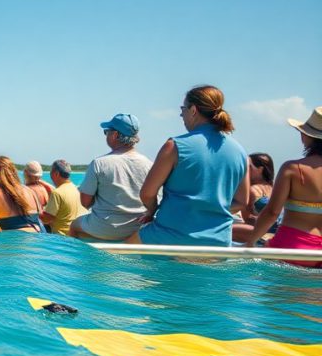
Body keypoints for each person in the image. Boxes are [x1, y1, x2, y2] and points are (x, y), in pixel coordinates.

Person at [129, 86, 249, 246]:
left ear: (193, 110)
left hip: (170, 237)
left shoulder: (174, 146)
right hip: (219, 242)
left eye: (182, 108)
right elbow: (242, 202)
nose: (181, 114)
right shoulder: (240, 152)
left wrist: (152, 211)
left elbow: (147, 194)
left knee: (115, 259)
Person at [244, 107, 322, 267]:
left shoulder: (293, 168)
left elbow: (272, 212)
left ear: (307, 136)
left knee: (279, 292)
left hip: (291, 245)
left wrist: (250, 242)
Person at [69, 113, 152, 241]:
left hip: (105, 227)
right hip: (138, 227)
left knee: (74, 225)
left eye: (106, 132)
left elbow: (85, 203)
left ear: (115, 135)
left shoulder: (99, 163)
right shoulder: (149, 164)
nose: (106, 135)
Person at [232, 153, 276, 243]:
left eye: (249, 167)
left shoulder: (252, 190)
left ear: (260, 170)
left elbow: (247, 219)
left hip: (259, 233)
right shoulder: (275, 188)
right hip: (276, 232)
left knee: (227, 229)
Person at [41, 160, 88, 236]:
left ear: (56, 174)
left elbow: (47, 219)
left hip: (61, 237)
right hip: (75, 234)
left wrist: (35, 212)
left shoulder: (57, 193)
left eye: (51, 173)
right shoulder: (75, 189)